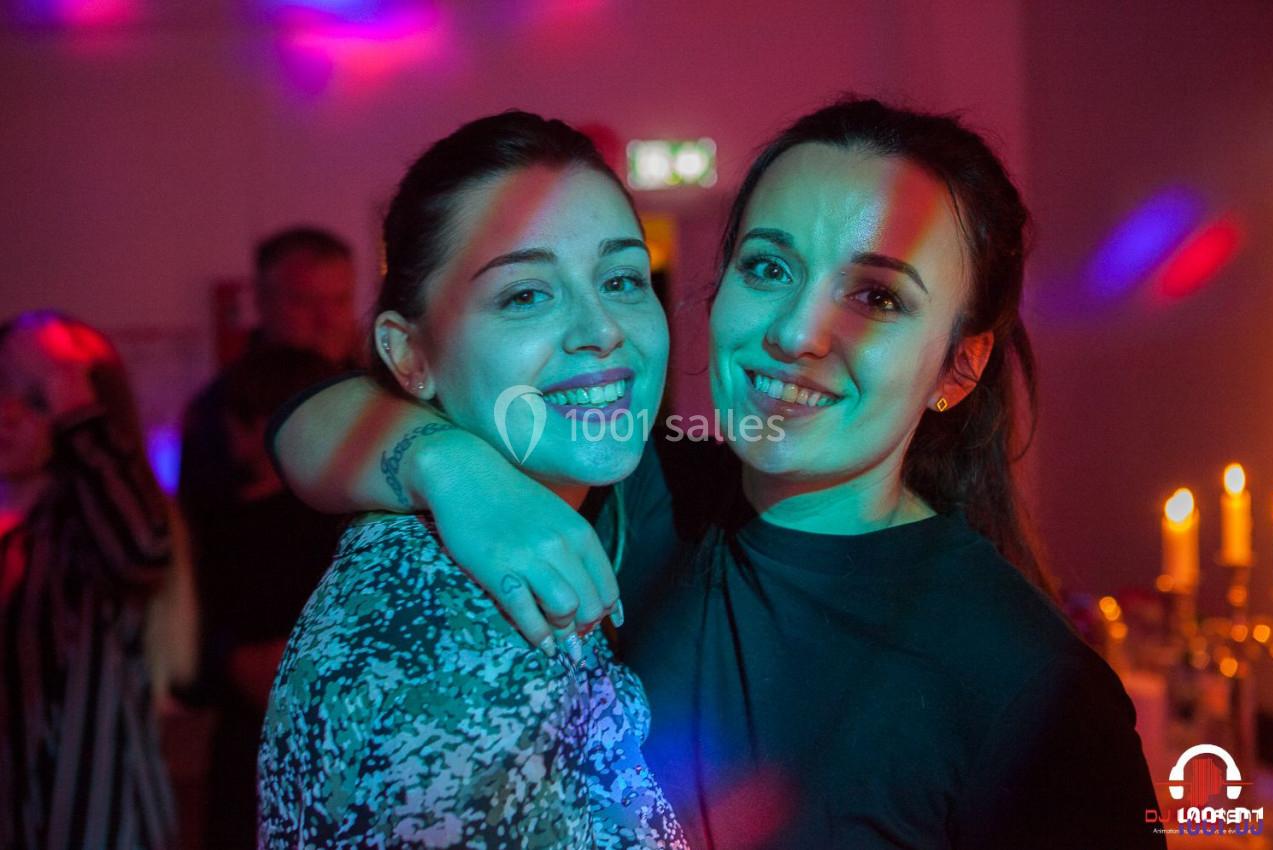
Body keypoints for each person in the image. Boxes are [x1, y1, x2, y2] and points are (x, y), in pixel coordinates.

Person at [273, 97, 1166, 849]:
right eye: (769, 267)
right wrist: (454, 470)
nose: (796, 333)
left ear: (957, 369)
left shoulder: (1032, 694)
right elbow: (307, 425)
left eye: (876, 297)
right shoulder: (647, 494)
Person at [257, 111, 687, 848]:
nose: (602, 328)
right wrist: (447, 467)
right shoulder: (445, 656)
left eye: (622, 278)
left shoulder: (642, 474)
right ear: (409, 355)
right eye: (526, 294)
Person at [177, 226, 357, 849]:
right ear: (262, 299)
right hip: (256, 682)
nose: (326, 319)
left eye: (339, 300)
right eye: (304, 301)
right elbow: (202, 559)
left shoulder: (374, 394)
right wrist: (227, 654)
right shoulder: (224, 411)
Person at [0, 311, 176, 849]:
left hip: (97, 822)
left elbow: (142, 549)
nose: (8, 415)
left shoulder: (90, 522)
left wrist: (74, 406)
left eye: (36, 399)